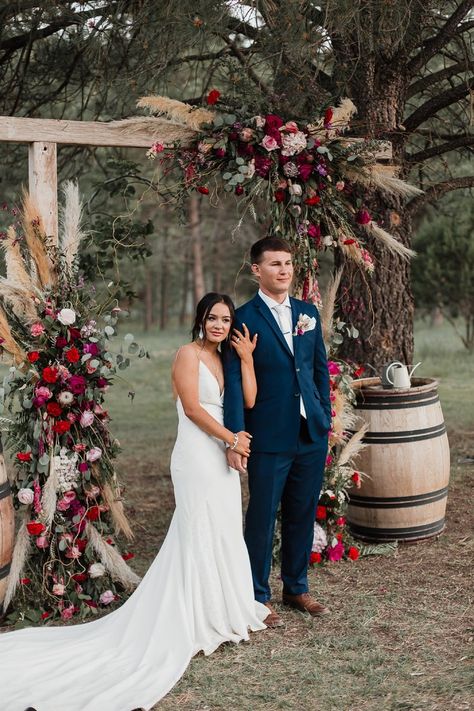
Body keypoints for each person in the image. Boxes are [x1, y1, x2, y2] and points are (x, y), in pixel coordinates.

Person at [0, 293, 268, 711]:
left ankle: (225, 605)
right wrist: (232, 438)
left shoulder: (228, 358)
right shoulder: (186, 355)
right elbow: (195, 410)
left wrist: (248, 358)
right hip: (198, 454)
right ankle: (194, 613)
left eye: (225, 319)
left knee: (223, 527)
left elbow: (249, 401)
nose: (218, 325)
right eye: (212, 318)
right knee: (198, 527)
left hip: (221, 456)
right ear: (200, 320)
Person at [224, 236, 331, 628]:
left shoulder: (308, 313)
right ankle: (256, 596)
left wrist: (325, 417)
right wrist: (237, 434)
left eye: (287, 263)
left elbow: (319, 368)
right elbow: (234, 381)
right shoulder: (243, 318)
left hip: (310, 432)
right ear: (256, 270)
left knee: (303, 511)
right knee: (262, 516)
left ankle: (296, 587)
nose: (283, 270)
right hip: (267, 434)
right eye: (274, 264)